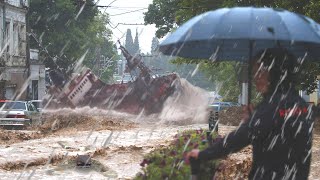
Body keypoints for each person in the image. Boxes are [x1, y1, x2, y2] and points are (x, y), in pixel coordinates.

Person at [185, 48, 315, 179]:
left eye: (260, 71)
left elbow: (239, 139)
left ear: (276, 72)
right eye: (253, 72)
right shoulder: (302, 106)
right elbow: (280, 137)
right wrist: (253, 120)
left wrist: (203, 154)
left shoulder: (271, 107)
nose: (255, 78)